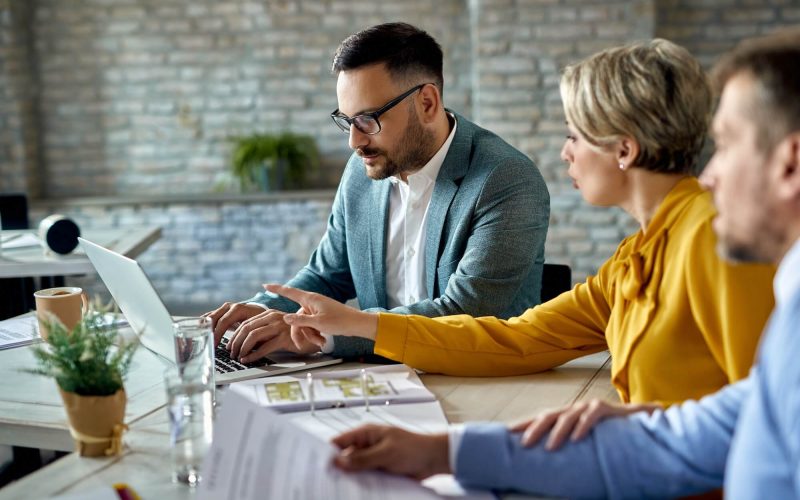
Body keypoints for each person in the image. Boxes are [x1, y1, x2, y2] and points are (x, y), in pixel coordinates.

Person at [278, 30, 800, 497]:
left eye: (575, 134)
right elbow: (518, 338)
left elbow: (763, 428)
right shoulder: (637, 254)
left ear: (623, 148)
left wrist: (647, 422)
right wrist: (360, 325)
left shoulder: (712, 237)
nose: (564, 152)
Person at [206, 22, 549, 362]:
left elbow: (464, 315)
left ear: (427, 102)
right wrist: (260, 310)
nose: (354, 141)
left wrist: (320, 335)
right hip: (384, 382)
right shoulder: (363, 170)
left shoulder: (506, 179)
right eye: (347, 120)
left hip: (481, 382)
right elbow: (328, 275)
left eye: (368, 119)